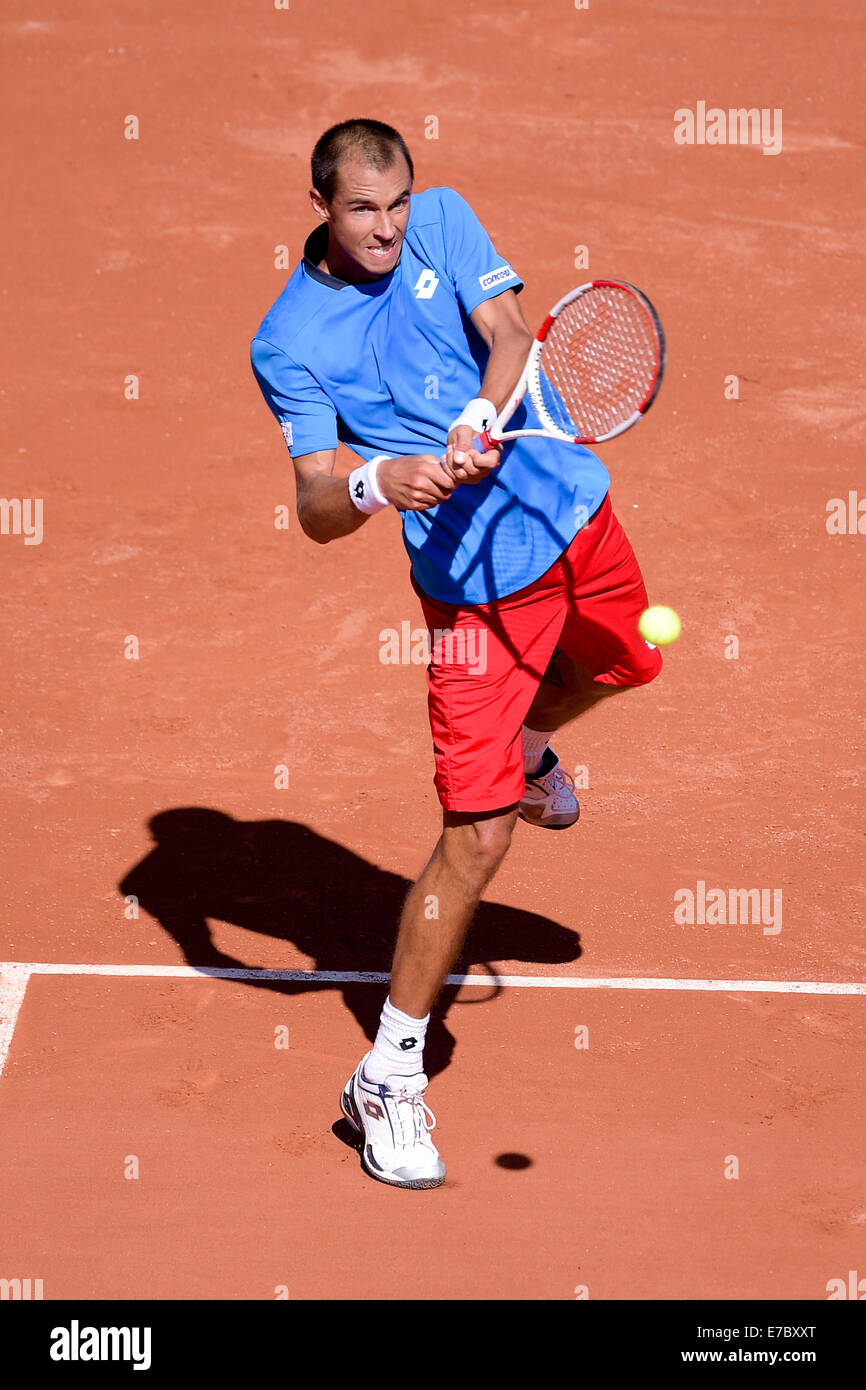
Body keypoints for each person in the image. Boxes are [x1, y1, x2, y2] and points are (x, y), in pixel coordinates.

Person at [251, 118, 662, 1190]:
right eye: (360, 211)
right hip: (473, 597)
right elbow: (311, 502)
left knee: (625, 663)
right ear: (320, 208)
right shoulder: (290, 340)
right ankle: (387, 1074)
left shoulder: (441, 219)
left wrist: (483, 412)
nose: (386, 230)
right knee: (475, 841)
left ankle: (533, 741)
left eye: (394, 205)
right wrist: (375, 483)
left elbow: (514, 332)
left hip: (567, 506)